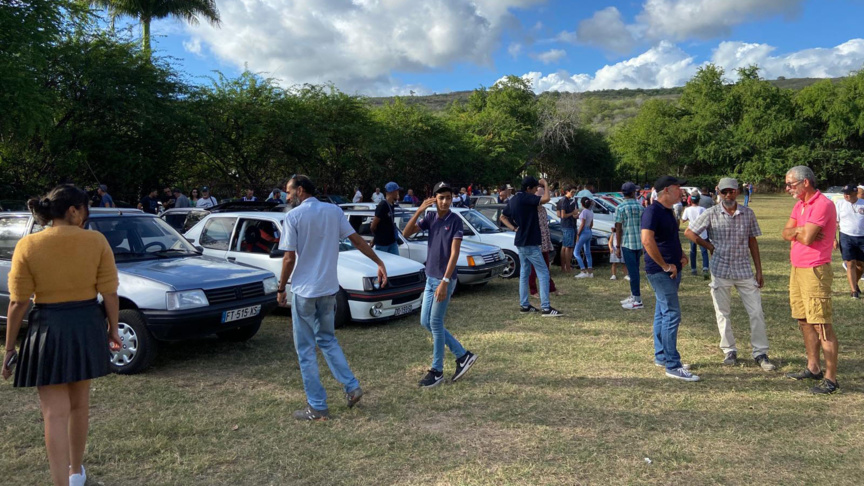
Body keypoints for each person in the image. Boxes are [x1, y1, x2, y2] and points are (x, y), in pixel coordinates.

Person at [3, 185, 122, 486]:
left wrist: (9, 350)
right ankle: (75, 474)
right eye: (85, 209)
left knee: (54, 414)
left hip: (47, 329)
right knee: (79, 405)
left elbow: (18, 303)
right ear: (73, 210)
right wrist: (113, 329)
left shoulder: (28, 246)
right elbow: (109, 293)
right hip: (86, 325)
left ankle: (61, 483)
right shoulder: (97, 241)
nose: (87, 215)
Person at [276, 175, 388, 420]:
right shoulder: (333, 211)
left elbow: (288, 258)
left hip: (305, 292)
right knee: (327, 340)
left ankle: (317, 407)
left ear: (300, 191)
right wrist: (378, 261)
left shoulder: (293, 217)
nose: (286, 196)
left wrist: (281, 286)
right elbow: (357, 240)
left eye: (288, 191)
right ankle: (351, 387)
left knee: (306, 350)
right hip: (329, 291)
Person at [685, 178, 774, 371]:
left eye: (731, 191)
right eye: (724, 192)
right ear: (718, 192)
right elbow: (689, 232)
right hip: (720, 270)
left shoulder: (748, 213)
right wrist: (709, 246)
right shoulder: (711, 213)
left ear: (737, 192)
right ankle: (729, 350)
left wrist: (759, 270)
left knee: (756, 312)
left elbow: (753, 242)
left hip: (744, 270)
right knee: (723, 313)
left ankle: (760, 352)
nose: (728, 195)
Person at [402, 182, 479, 387]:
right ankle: (462, 355)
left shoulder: (455, 221)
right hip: (430, 277)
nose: (445, 201)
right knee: (425, 322)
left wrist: (445, 282)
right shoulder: (429, 217)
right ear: (434, 198)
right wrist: (419, 210)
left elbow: (454, 253)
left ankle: (437, 371)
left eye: (448, 197)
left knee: (435, 323)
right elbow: (406, 233)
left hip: (444, 279)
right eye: (441, 197)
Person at [781, 166, 839, 394]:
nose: (788, 189)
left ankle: (831, 379)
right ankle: (813, 367)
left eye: (791, 184)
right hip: (797, 269)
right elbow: (785, 232)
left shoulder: (822, 204)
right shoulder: (799, 205)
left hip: (815, 271)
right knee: (804, 320)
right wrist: (800, 230)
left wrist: (798, 231)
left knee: (821, 323)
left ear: (806, 182)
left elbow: (805, 237)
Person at [642, 176, 699, 382]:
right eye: (678, 189)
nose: (682, 193)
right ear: (666, 190)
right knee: (671, 314)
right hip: (660, 271)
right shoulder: (652, 211)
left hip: (673, 268)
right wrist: (665, 265)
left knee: (662, 312)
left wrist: (681, 255)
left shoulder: (668, 211)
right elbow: (647, 241)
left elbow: (670, 238)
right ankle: (673, 365)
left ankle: (662, 356)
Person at [500, 176, 563, 316]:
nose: (536, 191)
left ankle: (525, 305)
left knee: (524, 273)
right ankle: (546, 308)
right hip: (530, 242)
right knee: (543, 273)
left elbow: (502, 217)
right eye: (535, 188)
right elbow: (546, 199)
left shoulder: (514, 199)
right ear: (528, 189)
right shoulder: (527, 198)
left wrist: (514, 229)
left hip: (520, 241)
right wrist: (546, 184)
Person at [616, 182, 645, 310]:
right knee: (635, 271)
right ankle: (634, 295)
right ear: (633, 193)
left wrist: (617, 246)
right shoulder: (641, 207)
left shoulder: (620, 207)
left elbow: (618, 228)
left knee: (632, 272)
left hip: (627, 243)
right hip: (639, 243)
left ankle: (637, 299)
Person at [834, 184, 864, 298]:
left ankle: (855, 283)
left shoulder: (862, 203)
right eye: (844, 193)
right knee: (850, 262)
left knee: (861, 265)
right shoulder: (840, 204)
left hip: (862, 237)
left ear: (855, 193)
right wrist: (834, 238)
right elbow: (835, 223)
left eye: (848, 193)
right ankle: (853, 291)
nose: (846, 196)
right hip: (846, 236)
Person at [528, 186, 558, 297]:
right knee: (534, 268)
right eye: (541, 195)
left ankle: (551, 288)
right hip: (536, 242)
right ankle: (533, 290)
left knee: (546, 266)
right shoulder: (532, 209)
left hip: (544, 242)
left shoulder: (543, 209)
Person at [681, 194, 709, 276]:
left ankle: (693, 269)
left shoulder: (687, 209)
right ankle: (705, 268)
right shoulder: (703, 209)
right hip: (702, 232)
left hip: (692, 232)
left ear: (691, 201)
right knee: (704, 251)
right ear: (699, 200)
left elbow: (683, 220)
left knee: (693, 250)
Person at [371, 181, 401, 256]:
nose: (398, 193)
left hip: (392, 241)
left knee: (397, 263)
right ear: (392, 192)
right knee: (384, 264)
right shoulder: (382, 205)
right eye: (397, 191)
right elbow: (373, 226)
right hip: (382, 243)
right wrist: (376, 237)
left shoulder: (392, 204)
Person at [557, 186, 577, 273]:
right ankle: (567, 267)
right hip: (568, 225)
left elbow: (558, 214)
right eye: (572, 192)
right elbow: (562, 215)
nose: (573, 194)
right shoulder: (564, 201)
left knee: (565, 246)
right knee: (568, 247)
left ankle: (563, 267)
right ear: (567, 191)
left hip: (567, 225)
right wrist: (572, 213)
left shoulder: (562, 201)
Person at [573, 197, 595, 278]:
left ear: (582, 204)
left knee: (576, 252)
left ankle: (583, 270)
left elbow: (582, 223)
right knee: (587, 252)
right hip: (589, 231)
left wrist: (578, 234)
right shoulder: (590, 212)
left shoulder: (583, 212)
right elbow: (591, 224)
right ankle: (590, 272)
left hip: (583, 232)